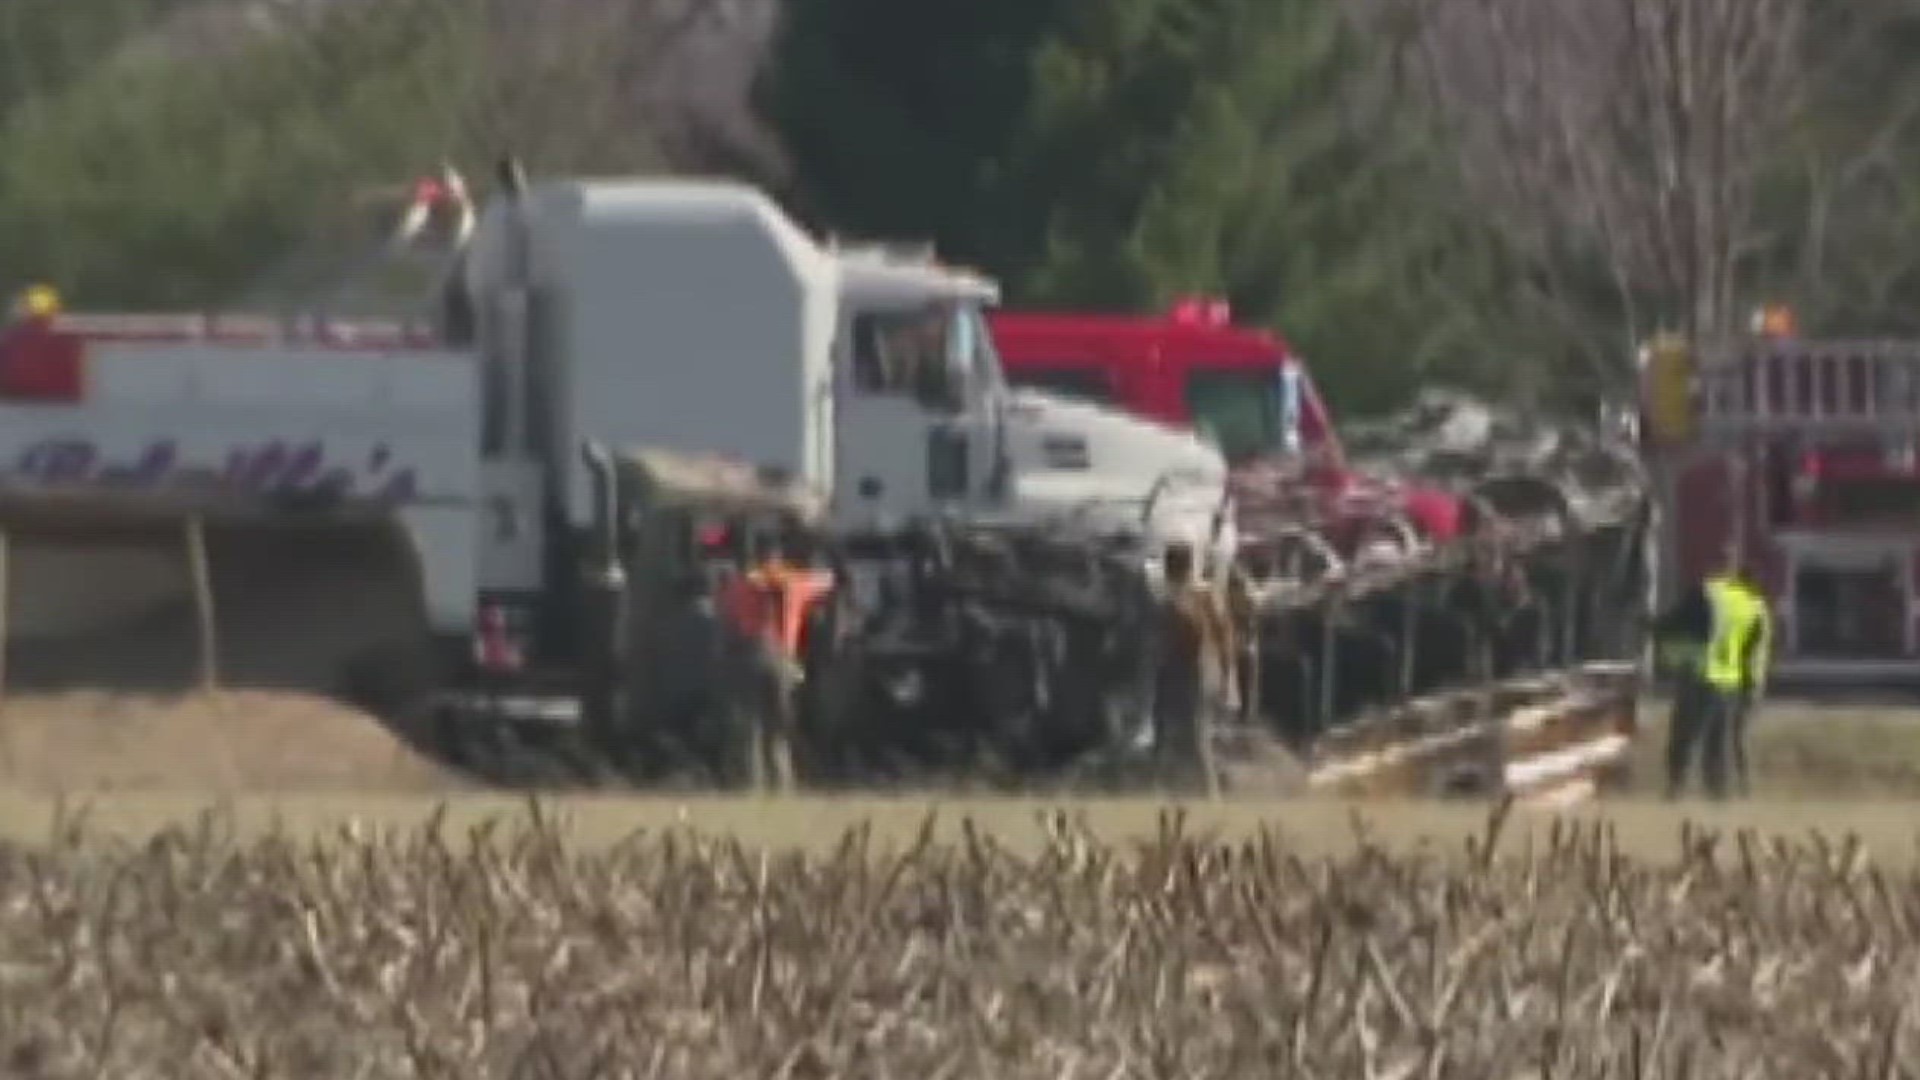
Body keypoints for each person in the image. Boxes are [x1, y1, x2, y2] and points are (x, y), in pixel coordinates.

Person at [1655, 549, 1769, 799]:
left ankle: (1675, 793)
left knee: (1683, 740)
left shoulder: (1706, 595)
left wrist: (1651, 629)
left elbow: (1671, 626)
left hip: (1700, 677)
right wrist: (1752, 689)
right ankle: (1719, 799)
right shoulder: (1752, 604)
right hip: (1730, 684)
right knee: (1718, 748)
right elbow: (1754, 651)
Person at [1154, 540, 1233, 795]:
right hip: (1186, 670)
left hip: (1192, 671)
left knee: (1193, 737)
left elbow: (1216, 633)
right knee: (1180, 735)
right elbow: (1221, 634)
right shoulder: (1180, 596)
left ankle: (1206, 793)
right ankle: (1177, 791)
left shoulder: (1193, 595)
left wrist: (1224, 672)